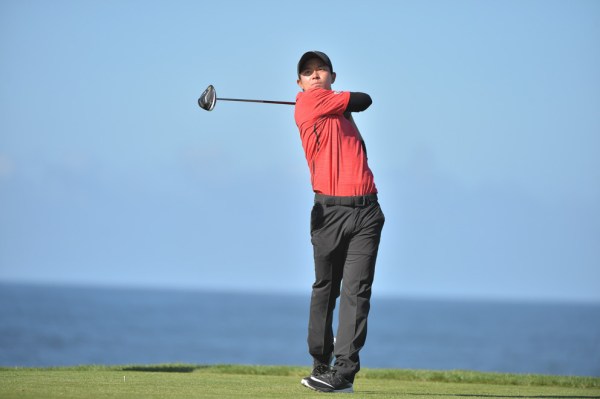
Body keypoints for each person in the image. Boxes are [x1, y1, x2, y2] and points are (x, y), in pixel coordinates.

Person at [294, 51, 385, 393]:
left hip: (367, 211)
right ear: (300, 83)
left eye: (321, 70)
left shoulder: (337, 110)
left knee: (356, 292)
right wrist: (340, 101)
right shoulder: (308, 104)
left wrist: (340, 105)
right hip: (329, 213)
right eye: (308, 72)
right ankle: (321, 359)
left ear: (333, 75)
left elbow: (359, 103)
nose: (315, 75)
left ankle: (343, 373)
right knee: (327, 288)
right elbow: (365, 98)